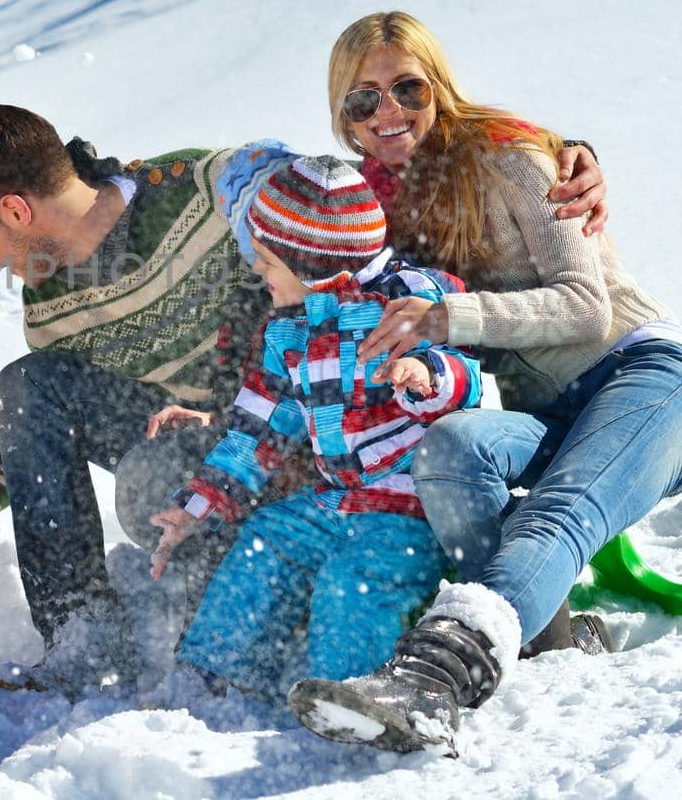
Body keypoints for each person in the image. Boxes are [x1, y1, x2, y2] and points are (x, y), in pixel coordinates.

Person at [0, 104, 607, 696]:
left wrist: (549, 157)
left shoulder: (210, 186)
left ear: (14, 211)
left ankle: (290, 636)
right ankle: (87, 642)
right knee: (38, 392)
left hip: (347, 426)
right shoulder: (51, 307)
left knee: (168, 478)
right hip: (240, 441)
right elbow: (29, 429)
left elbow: (364, 179)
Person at [289, 12, 682, 752]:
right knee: (452, 449)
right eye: (364, 100)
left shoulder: (509, 157)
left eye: (406, 88)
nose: (388, 112)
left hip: (644, 375)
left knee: (561, 508)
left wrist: (444, 317)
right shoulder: (372, 208)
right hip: (547, 413)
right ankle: (556, 650)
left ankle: (432, 679)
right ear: (343, 119)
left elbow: (586, 309)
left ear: (438, 87)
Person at [145, 148, 481, 703]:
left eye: (267, 259)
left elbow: (467, 374)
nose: (257, 268)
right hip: (335, 501)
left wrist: (425, 371)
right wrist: (195, 508)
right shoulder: (291, 337)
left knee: (352, 585)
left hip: (412, 508)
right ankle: (211, 677)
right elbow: (254, 435)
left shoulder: (407, 302)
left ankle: (353, 696)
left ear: (310, 264)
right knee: (264, 541)